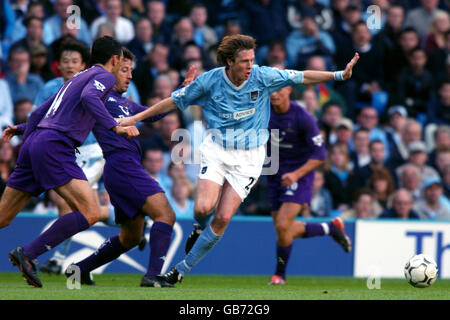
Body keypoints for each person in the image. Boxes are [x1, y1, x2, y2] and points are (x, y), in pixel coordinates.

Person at [116, 34, 359, 285]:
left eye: (252, 60)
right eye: (244, 61)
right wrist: (134, 119)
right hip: (217, 149)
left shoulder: (262, 76)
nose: (250, 66)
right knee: (202, 209)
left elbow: (302, 76)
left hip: (250, 157)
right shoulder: (210, 81)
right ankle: (199, 227)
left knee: (222, 218)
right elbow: (173, 102)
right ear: (229, 62)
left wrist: (339, 75)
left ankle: (179, 271)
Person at [0, 36, 138, 288]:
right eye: (123, 62)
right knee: (91, 211)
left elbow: (41, 111)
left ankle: (28, 254)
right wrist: (114, 126)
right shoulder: (104, 77)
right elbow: (89, 98)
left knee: (3, 217)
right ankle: (28, 253)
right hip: (56, 145)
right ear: (115, 59)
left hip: (35, 142)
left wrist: (21, 129)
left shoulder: (75, 78)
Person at [67, 49, 195, 287]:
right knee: (166, 215)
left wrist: (181, 93)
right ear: (111, 69)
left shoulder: (124, 102)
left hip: (121, 170)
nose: (130, 76)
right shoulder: (99, 98)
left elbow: (153, 116)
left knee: (131, 237)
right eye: (124, 70)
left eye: (131, 71)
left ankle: (80, 269)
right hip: (123, 166)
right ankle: (153, 276)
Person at [33, 39, 124, 275]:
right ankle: (131, 222)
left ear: (84, 63)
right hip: (60, 151)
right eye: (65, 61)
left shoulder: (96, 81)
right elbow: (37, 114)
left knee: (71, 205)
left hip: (91, 152)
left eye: (75, 61)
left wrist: (114, 128)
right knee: (90, 210)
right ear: (58, 65)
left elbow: (110, 108)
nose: (70, 65)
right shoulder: (52, 87)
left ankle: (57, 258)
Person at [266, 77, 351, 286]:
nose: (274, 93)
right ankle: (330, 228)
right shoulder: (263, 112)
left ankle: (280, 276)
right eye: (271, 89)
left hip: (299, 174)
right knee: (281, 228)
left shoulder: (302, 117)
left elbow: (320, 154)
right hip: (274, 173)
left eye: (278, 89)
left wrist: (296, 175)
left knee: (283, 224)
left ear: (288, 89)